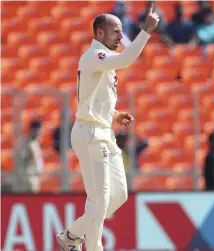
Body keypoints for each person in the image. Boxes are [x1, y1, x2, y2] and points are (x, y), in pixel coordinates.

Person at [56, 7, 159, 251]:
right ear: (99, 32)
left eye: (122, 32)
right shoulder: (95, 55)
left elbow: (92, 100)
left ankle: (71, 236)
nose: (121, 38)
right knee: (100, 201)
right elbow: (126, 59)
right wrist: (145, 31)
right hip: (90, 134)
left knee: (118, 195)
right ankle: (90, 246)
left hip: (103, 132)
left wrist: (114, 114)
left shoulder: (104, 61)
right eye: (116, 32)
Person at [15, 120, 44, 193]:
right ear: (32, 130)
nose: (38, 132)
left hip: (36, 176)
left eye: (39, 130)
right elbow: (21, 158)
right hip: (28, 177)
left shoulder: (36, 142)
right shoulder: (27, 142)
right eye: (36, 130)